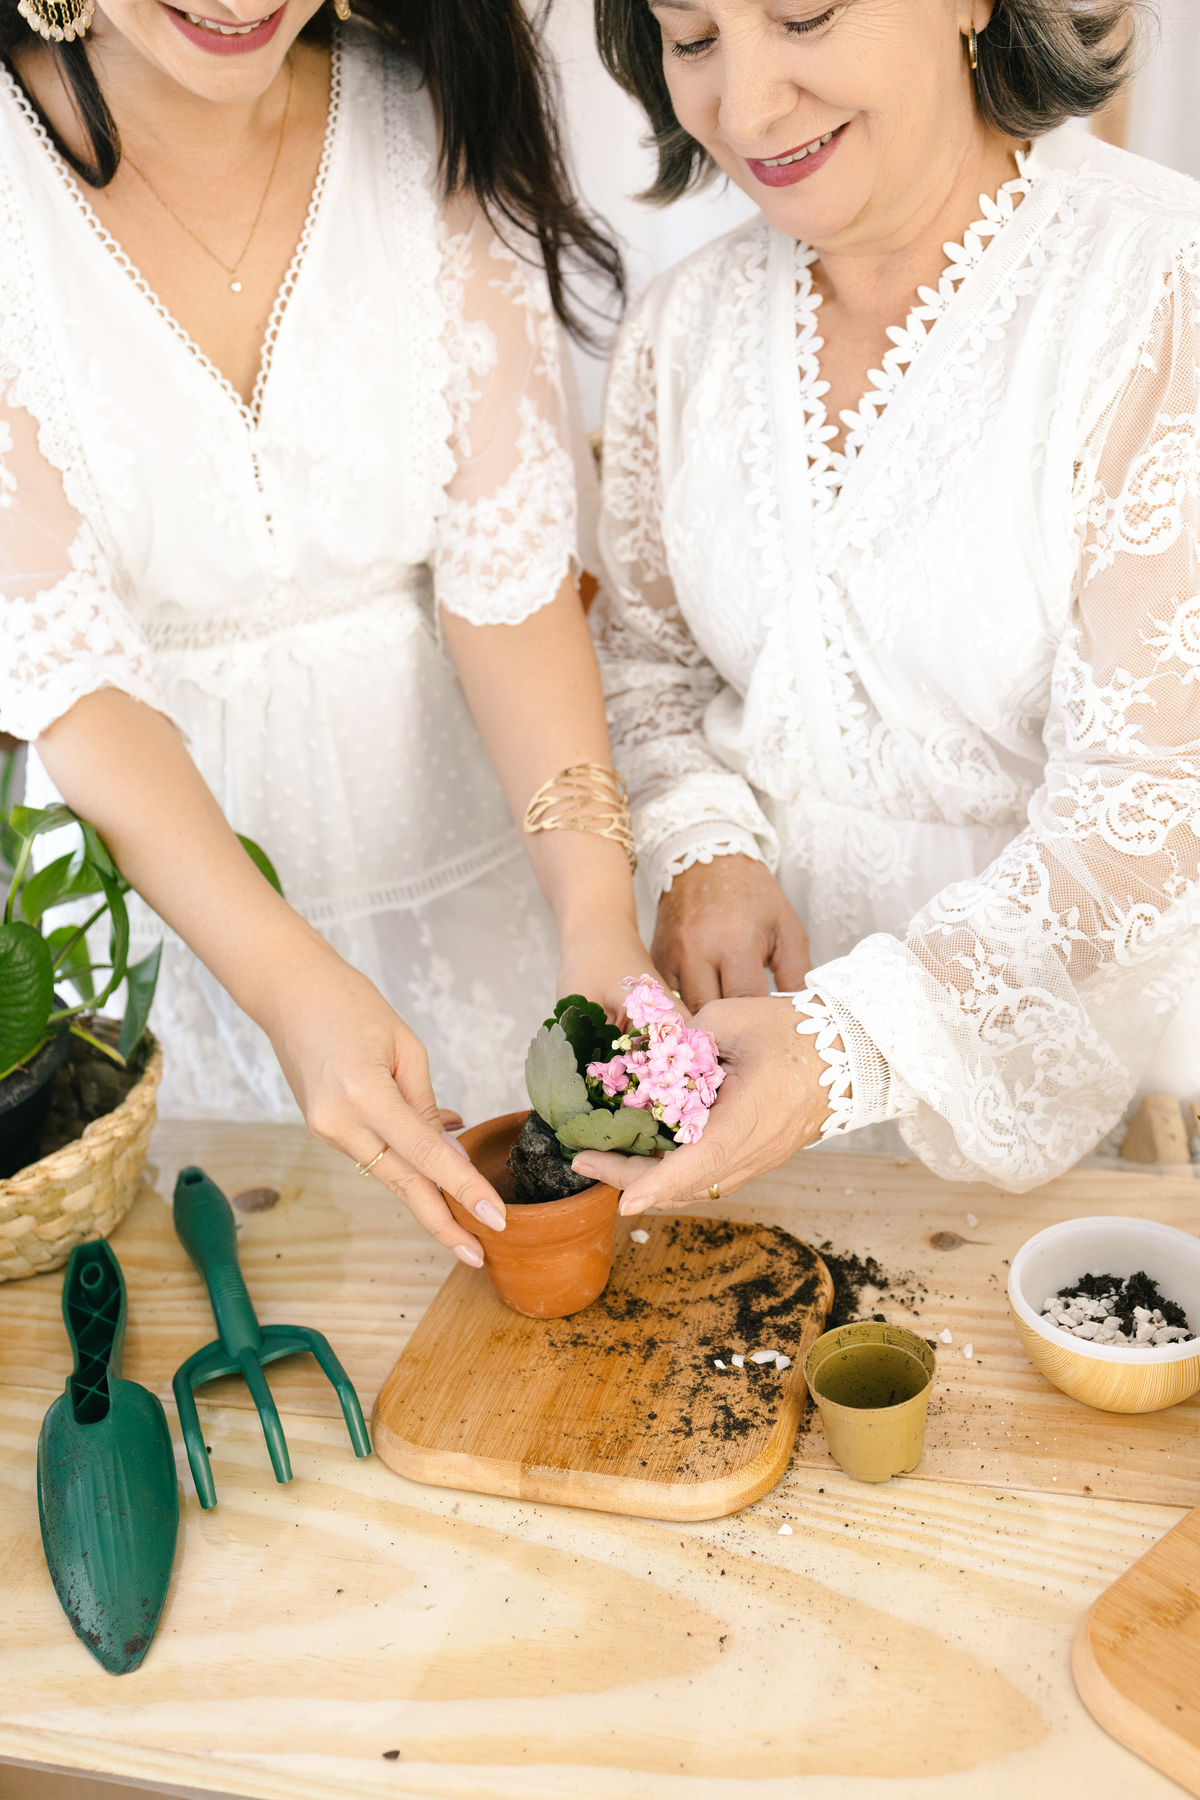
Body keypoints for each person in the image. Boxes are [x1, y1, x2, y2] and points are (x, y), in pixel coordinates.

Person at [0, 0, 655, 1263]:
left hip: (476, 851)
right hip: (174, 899)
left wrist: (596, 920)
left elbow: (506, 582)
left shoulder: (424, 111)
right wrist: (289, 987)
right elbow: (77, 677)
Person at [571, 0, 1200, 1214]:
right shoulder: (676, 332)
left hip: (1085, 1113)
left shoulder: (1158, 294)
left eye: (803, 15)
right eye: (691, 40)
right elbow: (645, 662)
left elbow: (1157, 805)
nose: (744, 109)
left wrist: (849, 1046)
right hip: (745, 1094)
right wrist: (704, 844)